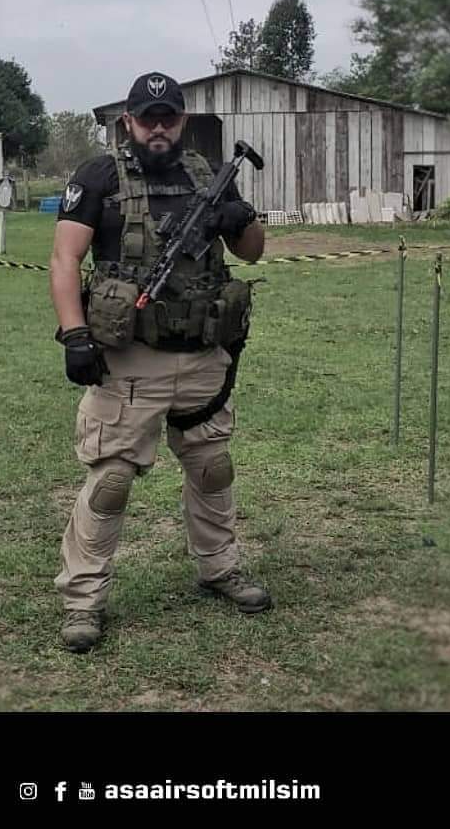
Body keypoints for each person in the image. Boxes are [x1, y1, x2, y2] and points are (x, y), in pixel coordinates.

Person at [49, 70, 270, 653]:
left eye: (168, 117)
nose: (158, 128)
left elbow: (252, 252)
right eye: (147, 119)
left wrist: (240, 219)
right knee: (112, 481)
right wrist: (75, 335)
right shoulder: (98, 176)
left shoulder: (209, 175)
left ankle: (220, 567)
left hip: (201, 354)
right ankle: (83, 599)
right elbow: (65, 259)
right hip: (130, 359)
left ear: (182, 120)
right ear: (129, 122)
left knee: (213, 467)